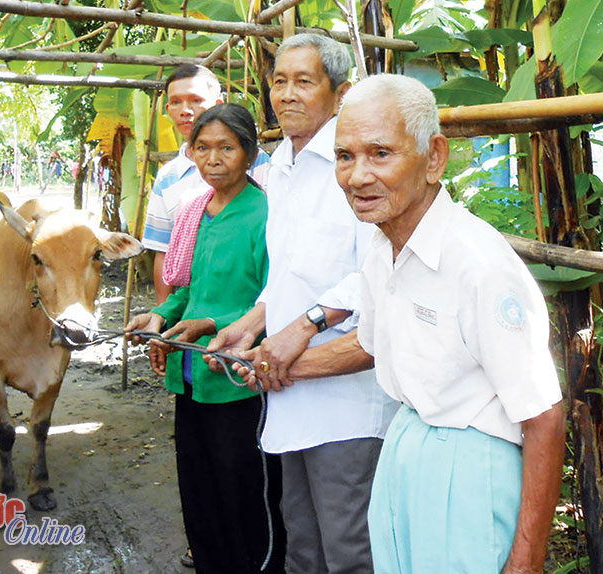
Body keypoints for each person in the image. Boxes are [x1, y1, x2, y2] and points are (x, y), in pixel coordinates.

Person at [240, 74, 566, 574]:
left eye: (380, 154)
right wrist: (276, 366)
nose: (357, 176)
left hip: (470, 470)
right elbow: (373, 345)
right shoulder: (383, 249)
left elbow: (543, 416)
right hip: (405, 454)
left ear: (434, 157)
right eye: (345, 156)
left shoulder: (478, 265)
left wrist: (526, 560)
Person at [205, 34, 398, 574]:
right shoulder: (281, 169)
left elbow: (380, 275)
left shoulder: (357, 166)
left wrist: (308, 325)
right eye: (279, 81)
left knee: (350, 550)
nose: (285, 95)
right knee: (302, 544)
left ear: (339, 94)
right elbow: (289, 277)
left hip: (348, 404)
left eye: (303, 82)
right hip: (290, 394)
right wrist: (247, 328)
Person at [125, 104, 285, 574]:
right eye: (203, 147)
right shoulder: (197, 212)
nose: (213, 158)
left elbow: (273, 300)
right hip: (191, 376)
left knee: (245, 493)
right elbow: (189, 289)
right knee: (199, 488)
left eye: (227, 148)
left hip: (236, 378)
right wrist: (158, 315)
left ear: (251, 154)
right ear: (191, 152)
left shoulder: (266, 215)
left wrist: (210, 324)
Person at [142, 65, 271, 305]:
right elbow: (164, 252)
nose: (185, 111)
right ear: (167, 108)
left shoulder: (264, 172)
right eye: (176, 102)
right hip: (190, 306)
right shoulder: (169, 178)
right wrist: (162, 318)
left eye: (195, 100)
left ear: (217, 103)